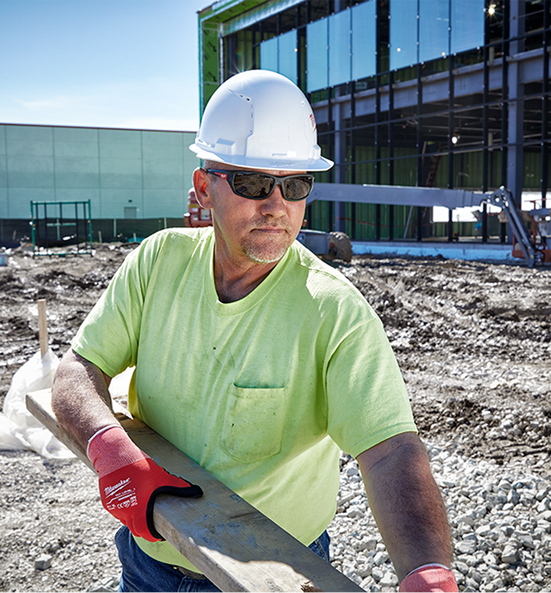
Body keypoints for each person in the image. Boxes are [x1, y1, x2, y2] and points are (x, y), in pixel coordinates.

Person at [52, 69, 457, 593]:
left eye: (294, 185)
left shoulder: (334, 311)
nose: (275, 204)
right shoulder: (159, 262)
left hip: (272, 573)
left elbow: (389, 451)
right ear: (204, 187)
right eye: (252, 182)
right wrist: (111, 449)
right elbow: (76, 372)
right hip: (149, 555)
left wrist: (426, 571)